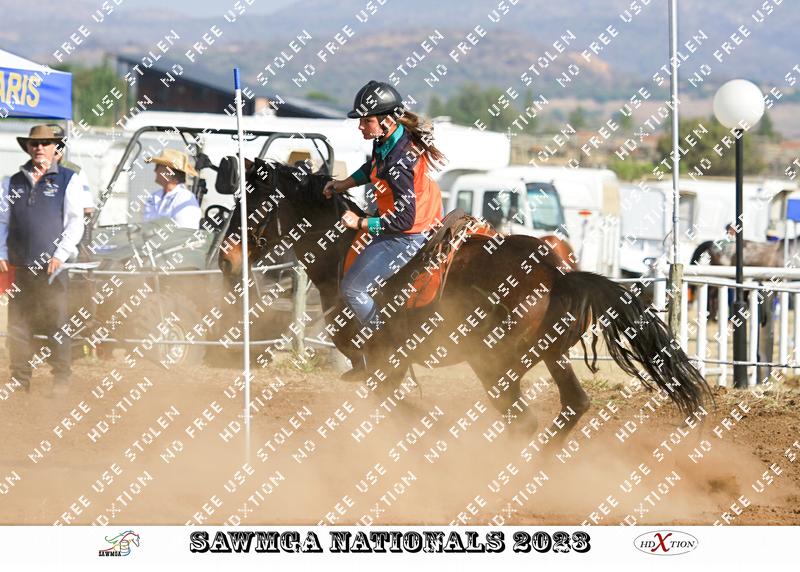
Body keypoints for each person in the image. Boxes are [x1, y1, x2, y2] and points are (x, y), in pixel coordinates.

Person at [323, 80, 446, 379]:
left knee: (352, 288)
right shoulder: (388, 139)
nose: (360, 126)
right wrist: (342, 184)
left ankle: (382, 352)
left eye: (366, 121)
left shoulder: (399, 162)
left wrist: (361, 222)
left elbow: (404, 221)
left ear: (387, 120)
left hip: (409, 232)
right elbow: (373, 168)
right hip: (425, 214)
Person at [0, 125, 85, 395]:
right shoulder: (11, 182)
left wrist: (60, 254)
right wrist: (1, 252)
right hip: (20, 265)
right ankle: (20, 379)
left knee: (56, 322)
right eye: (34, 143)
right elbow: (3, 221)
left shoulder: (68, 180)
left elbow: (75, 223)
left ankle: (61, 379)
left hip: (52, 267)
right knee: (18, 325)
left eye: (46, 143)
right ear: (28, 147)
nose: (39, 148)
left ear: (54, 147)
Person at [142, 149, 201, 229]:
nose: (155, 170)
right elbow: (145, 226)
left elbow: (183, 232)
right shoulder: (154, 196)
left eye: (158, 166)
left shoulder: (185, 198)